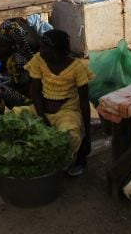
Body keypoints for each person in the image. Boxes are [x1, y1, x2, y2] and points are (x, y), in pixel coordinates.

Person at [19, 29, 93, 177]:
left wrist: (87, 135)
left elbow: (84, 102)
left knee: (69, 135)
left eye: (44, 47)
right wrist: (41, 116)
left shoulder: (77, 68)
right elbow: (35, 92)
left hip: (67, 111)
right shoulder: (38, 60)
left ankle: (76, 159)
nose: (40, 51)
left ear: (56, 51)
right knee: (14, 116)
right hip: (42, 109)